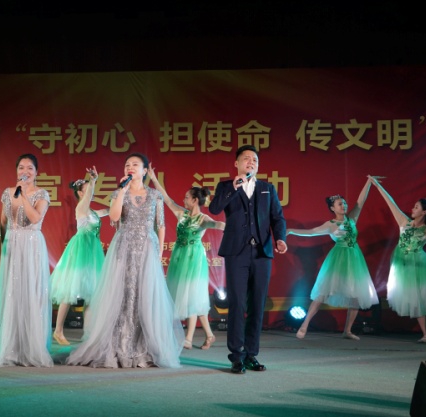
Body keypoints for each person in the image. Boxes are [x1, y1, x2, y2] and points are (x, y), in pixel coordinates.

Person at [67, 152, 184, 368]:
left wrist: (159, 251)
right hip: (124, 247)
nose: (130, 167)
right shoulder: (117, 192)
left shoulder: (155, 196)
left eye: (135, 164)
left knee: (144, 296)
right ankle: (119, 345)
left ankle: (144, 350)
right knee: (122, 295)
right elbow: (114, 217)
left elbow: (160, 225)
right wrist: (121, 191)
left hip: (147, 249)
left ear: (145, 171)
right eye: (127, 164)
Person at [208, 144, 287, 374]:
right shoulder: (226, 186)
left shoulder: (267, 188)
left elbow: (277, 218)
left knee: (257, 303)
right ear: (237, 163)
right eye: (246, 159)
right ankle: (236, 356)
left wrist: (280, 239)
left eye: (255, 160)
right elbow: (214, 208)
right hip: (236, 252)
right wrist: (234, 187)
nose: (251, 162)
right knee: (237, 303)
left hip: (261, 252)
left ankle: (251, 354)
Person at [286, 177, 380, 340]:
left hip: (355, 259)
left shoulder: (352, 219)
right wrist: (291, 231)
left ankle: (347, 331)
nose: (343, 206)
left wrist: (369, 182)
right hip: (338, 259)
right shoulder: (330, 225)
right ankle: (304, 325)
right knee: (322, 294)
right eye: (339, 204)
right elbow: (311, 232)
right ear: (332, 208)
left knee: (356, 296)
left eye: (344, 203)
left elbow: (361, 201)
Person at [0, 153, 54, 368]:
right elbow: (4, 222)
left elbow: (35, 218)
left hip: (32, 245)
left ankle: (31, 348)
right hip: (12, 245)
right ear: (16, 171)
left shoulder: (42, 194)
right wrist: (4, 245)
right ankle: (10, 347)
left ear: (36, 172)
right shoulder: (7, 193)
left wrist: (22, 196)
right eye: (21, 167)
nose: (25, 172)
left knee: (30, 293)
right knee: (12, 294)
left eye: (30, 168)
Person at [148, 163, 225, 350]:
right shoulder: (181, 214)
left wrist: (231, 227)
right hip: (179, 257)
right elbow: (166, 198)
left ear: (195, 200)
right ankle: (209, 335)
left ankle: (189, 338)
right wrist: (153, 177)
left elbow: (218, 225)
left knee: (192, 295)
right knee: (189, 296)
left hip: (194, 259)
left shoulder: (203, 219)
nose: (183, 199)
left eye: (186, 197)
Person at [370, 177, 426, 344]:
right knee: (415, 299)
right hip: (404, 266)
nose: (413, 209)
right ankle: (425, 334)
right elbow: (390, 203)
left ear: (424, 212)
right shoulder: (404, 222)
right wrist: (376, 185)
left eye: (416, 207)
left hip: (422, 265)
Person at [50, 166, 109, 346]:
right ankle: (58, 331)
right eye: (87, 189)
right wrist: (93, 180)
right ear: (81, 193)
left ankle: (88, 334)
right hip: (80, 252)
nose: (91, 191)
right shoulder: (81, 208)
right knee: (69, 292)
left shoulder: (92, 212)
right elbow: (90, 195)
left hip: (92, 253)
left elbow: (107, 211)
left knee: (91, 294)